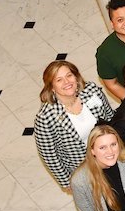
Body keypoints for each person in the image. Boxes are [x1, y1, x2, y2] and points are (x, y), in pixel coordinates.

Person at [35, 60, 115, 189]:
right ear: (51, 87)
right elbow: (49, 156)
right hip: (84, 169)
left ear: (76, 76)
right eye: (59, 80)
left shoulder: (92, 91)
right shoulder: (46, 118)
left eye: (69, 75)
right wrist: (68, 183)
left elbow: (110, 118)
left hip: (111, 155)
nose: (67, 82)